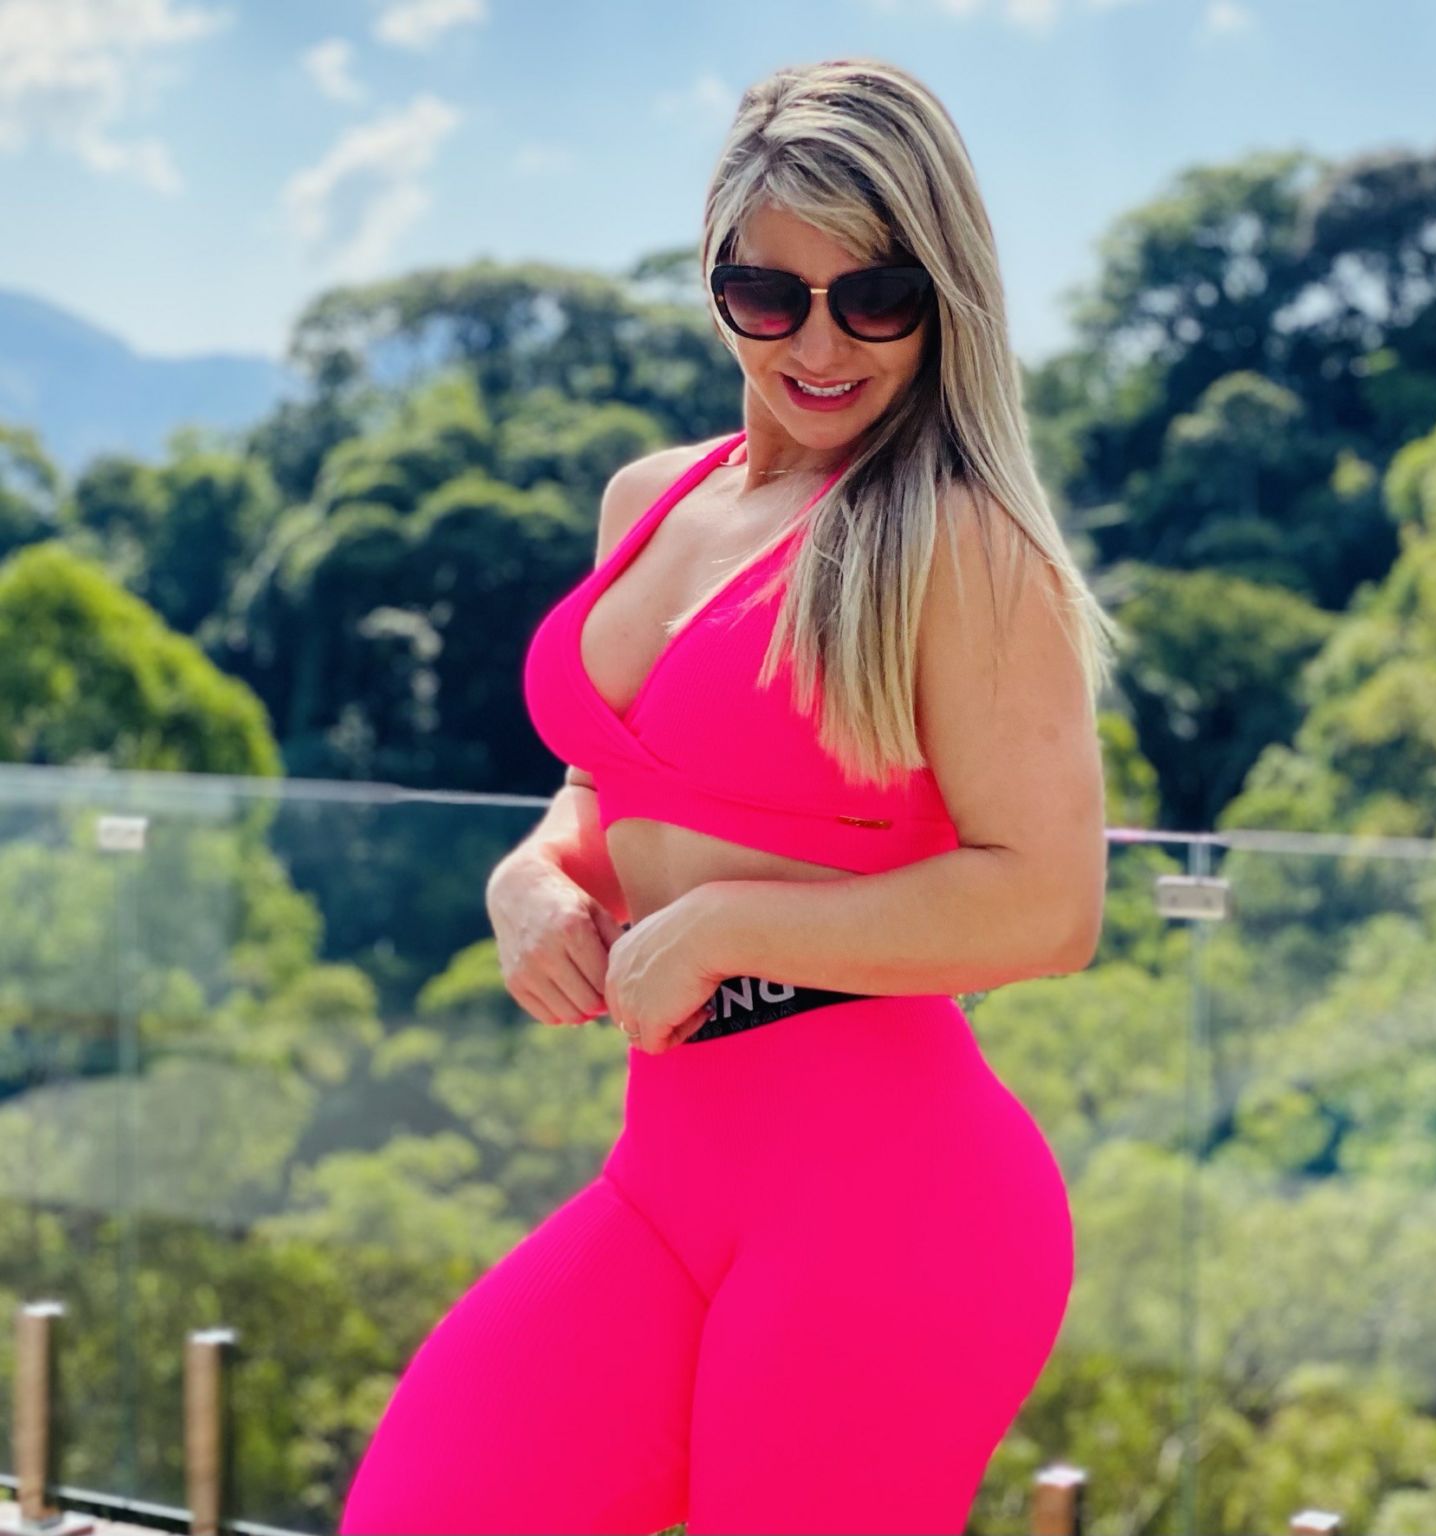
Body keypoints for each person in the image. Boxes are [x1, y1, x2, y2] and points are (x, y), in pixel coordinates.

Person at [339, 55, 1120, 1536]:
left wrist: (723, 929)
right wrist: (532, 878)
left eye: (875, 297)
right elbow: (608, 782)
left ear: (944, 293)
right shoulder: (651, 501)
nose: (820, 344)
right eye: (770, 294)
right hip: (667, 1181)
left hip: (895, 1208)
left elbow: (1048, 902)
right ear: (715, 283)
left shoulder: (956, 541)